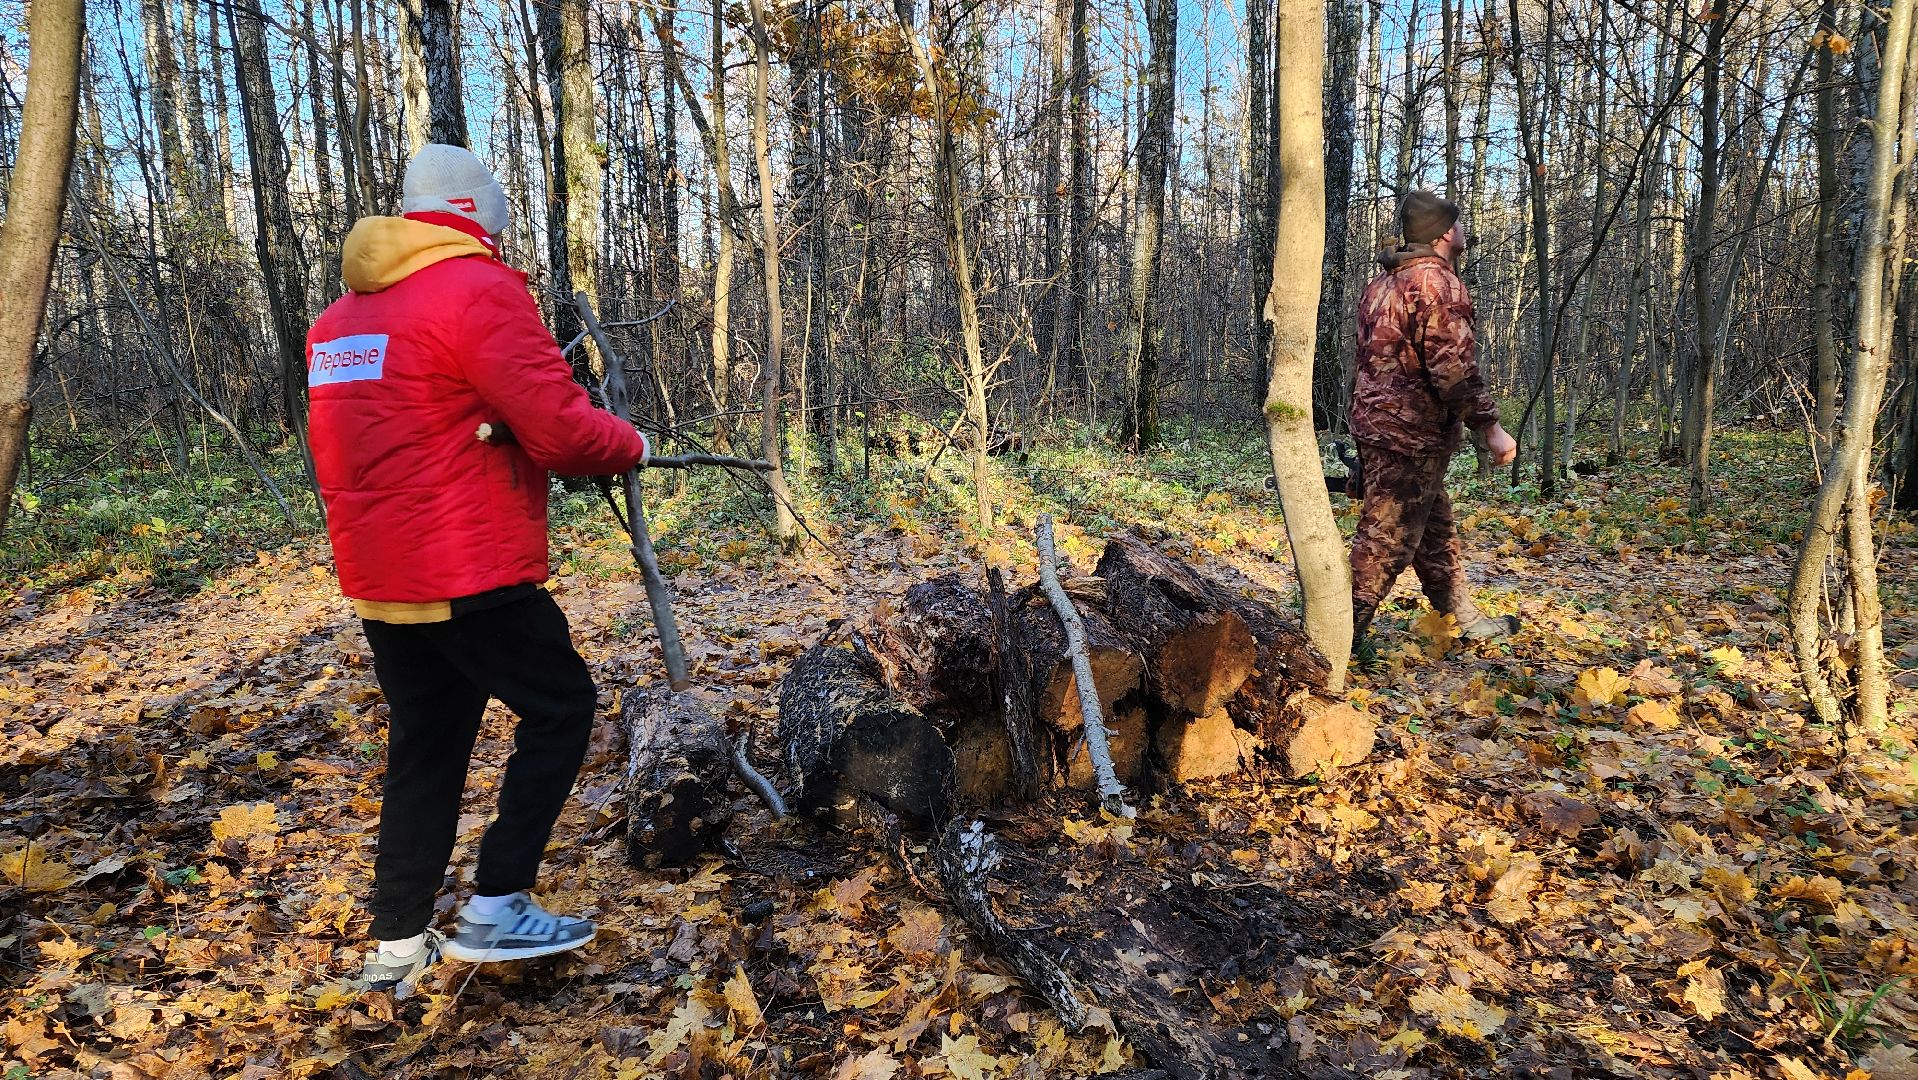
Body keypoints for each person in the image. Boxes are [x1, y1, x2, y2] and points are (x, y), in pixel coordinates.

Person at [306, 144, 651, 996]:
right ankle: (498, 904)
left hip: (381, 575)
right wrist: (630, 443)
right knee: (561, 707)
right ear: (471, 210)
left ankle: (397, 944)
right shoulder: (478, 291)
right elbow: (563, 430)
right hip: (466, 562)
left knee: (426, 742)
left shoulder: (337, 322)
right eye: (497, 200)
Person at [1348, 191, 1519, 652]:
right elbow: (1453, 369)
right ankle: (1337, 641)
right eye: (1457, 223)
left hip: (1378, 425)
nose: (1463, 230)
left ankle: (1463, 618)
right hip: (1410, 434)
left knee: (1434, 529)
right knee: (1386, 540)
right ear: (1444, 233)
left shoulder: (1382, 283)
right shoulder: (1437, 284)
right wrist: (1491, 428)